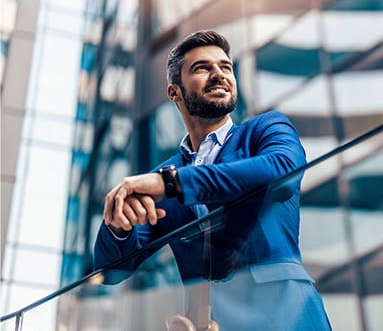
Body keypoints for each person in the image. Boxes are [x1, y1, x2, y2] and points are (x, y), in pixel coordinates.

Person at [94, 30, 331, 330]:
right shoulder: (165, 175)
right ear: (174, 92)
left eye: (226, 67)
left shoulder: (266, 129)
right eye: (202, 68)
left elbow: (281, 172)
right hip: (209, 322)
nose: (219, 74)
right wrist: (118, 226)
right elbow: (111, 272)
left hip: (285, 313)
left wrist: (175, 184)